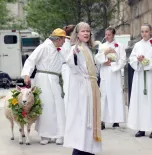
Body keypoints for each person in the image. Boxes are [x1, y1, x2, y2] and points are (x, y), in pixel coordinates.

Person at [21, 28, 66, 145]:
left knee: (58, 106)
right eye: (63, 39)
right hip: (44, 79)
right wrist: (27, 74)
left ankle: (59, 134)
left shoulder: (59, 50)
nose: (64, 42)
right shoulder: (43, 47)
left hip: (55, 80)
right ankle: (45, 135)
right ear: (58, 39)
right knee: (45, 106)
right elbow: (31, 60)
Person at [63, 22, 102, 155]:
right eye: (83, 31)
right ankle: (80, 150)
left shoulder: (87, 48)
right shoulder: (77, 48)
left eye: (88, 31)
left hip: (91, 87)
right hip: (83, 90)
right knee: (83, 120)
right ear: (77, 34)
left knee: (90, 119)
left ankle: (88, 148)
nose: (86, 33)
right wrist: (74, 53)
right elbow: (70, 62)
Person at [127, 23, 152, 138]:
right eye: (142, 31)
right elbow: (131, 59)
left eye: (146, 31)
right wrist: (138, 60)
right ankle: (141, 128)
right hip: (140, 76)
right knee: (141, 101)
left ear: (151, 32)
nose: (144, 34)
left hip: (151, 78)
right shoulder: (137, 45)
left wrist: (147, 61)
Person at [95, 27, 126, 129]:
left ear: (113, 35)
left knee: (116, 95)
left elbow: (122, 60)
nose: (107, 36)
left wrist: (113, 65)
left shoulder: (119, 46)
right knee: (104, 96)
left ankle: (116, 120)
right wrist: (104, 58)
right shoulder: (102, 46)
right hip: (105, 73)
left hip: (114, 73)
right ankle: (102, 120)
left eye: (109, 34)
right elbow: (97, 59)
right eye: (106, 34)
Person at [61, 25, 75, 112]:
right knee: (68, 89)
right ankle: (67, 111)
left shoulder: (69, 42)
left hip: (69, 68)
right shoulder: (66, 43)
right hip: (67, 68)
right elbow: (68, 57)